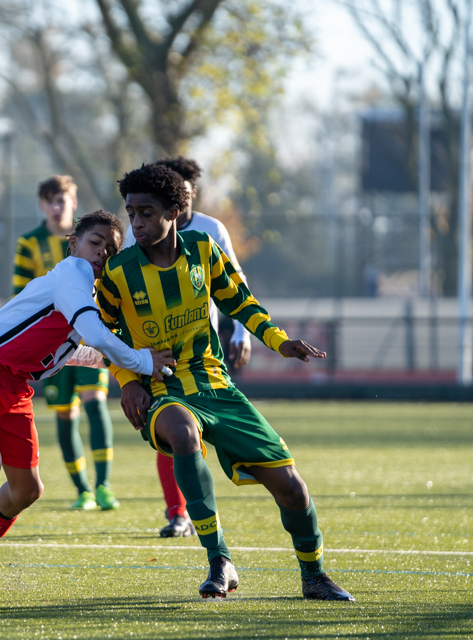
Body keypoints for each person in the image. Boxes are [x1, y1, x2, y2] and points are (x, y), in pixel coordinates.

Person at [97, 164, 354, 601]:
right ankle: (219, 559)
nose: (136, 223)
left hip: (216, 385)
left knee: (291, 487)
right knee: (182, 433)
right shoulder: (119, 272)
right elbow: (105, 333)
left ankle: (314, 576)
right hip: (162, 388)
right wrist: (127, 380)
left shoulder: (203, 248)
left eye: (147, 213)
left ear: (174, 212)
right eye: (131, 213)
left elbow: (240, 301)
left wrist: (279, 341)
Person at [0, 211, 176, 607]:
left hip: (16, 389)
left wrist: (124, 362)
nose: (102, 253)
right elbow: (96, 334)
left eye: (111, 250)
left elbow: (78, 349)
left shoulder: (86, 294)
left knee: (27, 490)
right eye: (95, 243)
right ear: (74, 244)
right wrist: (141, 361)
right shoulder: (73, 274)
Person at [121, 156, 250, 538]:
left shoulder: (210, 230)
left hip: (202, 349)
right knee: (172, 429)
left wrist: (242, 333)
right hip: (157, 350)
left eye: (189, 190)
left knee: (205, 429)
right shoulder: (138, 229)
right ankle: (179, 513)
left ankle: (207, 504)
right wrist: (128, 366)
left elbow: (236, 282)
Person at [14, 176, 119, 511]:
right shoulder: (29, 243)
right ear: (42, 206)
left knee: (95, 403)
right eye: (51, 202)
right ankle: (83, 490)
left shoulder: (92, 239)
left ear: (74, 202)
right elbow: (21, 294)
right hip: (51, 345)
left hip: (87, 337)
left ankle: (103, 486)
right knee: (65, 414)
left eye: (63, 200)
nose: (57, 207)